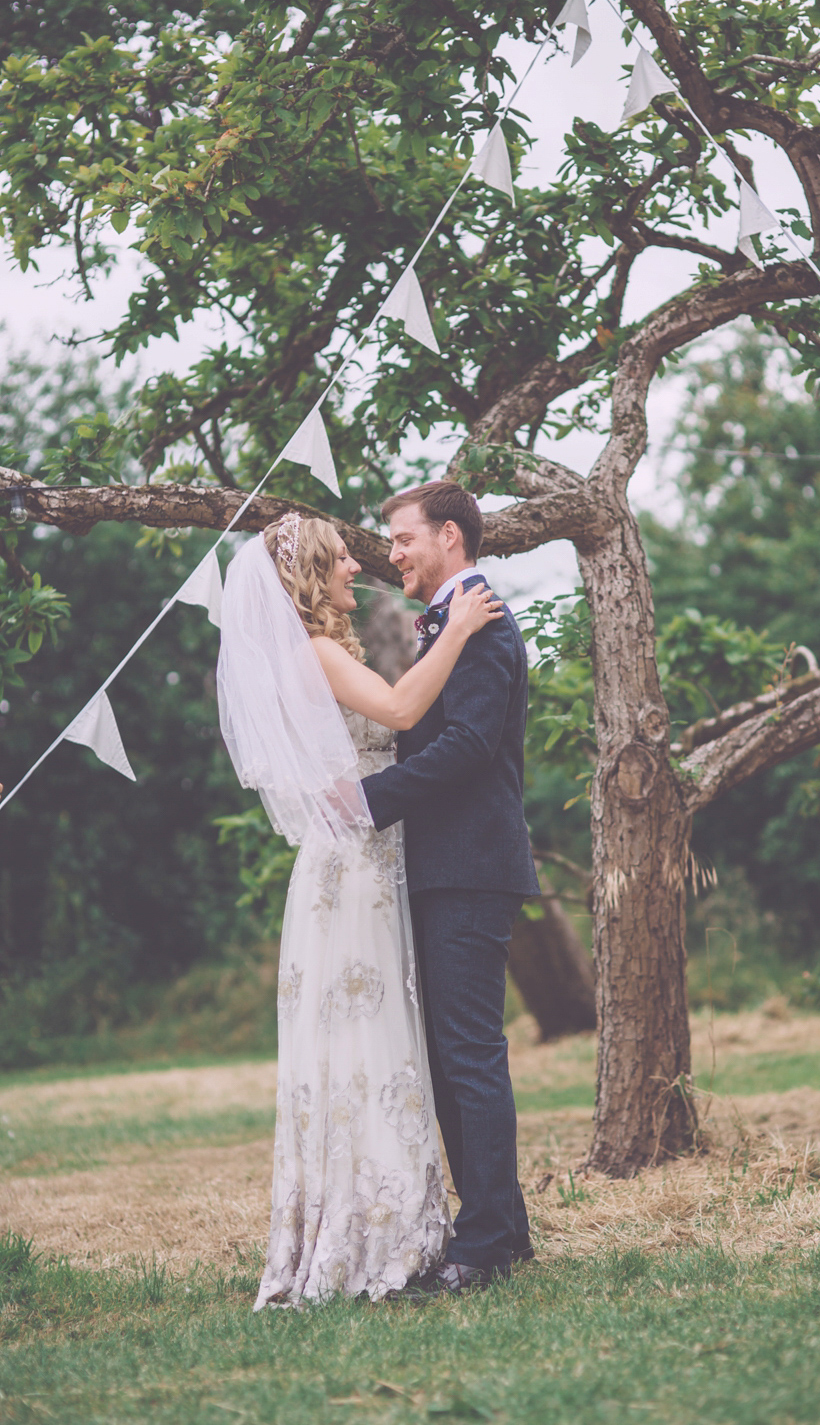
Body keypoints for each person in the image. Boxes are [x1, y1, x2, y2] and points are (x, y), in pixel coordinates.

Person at [216, 512, 503, 1307]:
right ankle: (374, 1226)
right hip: (358, 863)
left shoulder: (319, 650)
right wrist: (458, 628)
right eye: (341, 558)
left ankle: (386, 1215)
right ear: (309, 575)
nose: (357, 567)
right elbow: (405, 713)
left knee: (369, 1039)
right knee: (367, 1038)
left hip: (357, 856)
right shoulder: (313, 651)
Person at [358, 481, 541, 1300]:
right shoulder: (447, 622)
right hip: (444, 865)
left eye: (401, 538)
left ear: (450, 539)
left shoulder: (484, 623)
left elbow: (469, 746)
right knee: (449, 1055)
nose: (391, 553)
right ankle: (501, 1230)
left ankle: (488, 1244)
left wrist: (368, 802)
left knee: (469, 1057)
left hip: (471, 865)